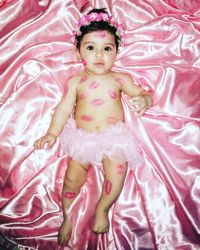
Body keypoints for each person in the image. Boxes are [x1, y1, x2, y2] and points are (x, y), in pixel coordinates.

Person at [34, 8, 152, 246]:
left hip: (114, 137)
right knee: (71, 179)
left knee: (117, 172)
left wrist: (144, 99)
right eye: (90, 47)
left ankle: (103, 208)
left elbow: (141, 92)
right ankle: (66, 216)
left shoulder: (120, 79)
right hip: (82, 137)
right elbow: (64, 109)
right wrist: (51, 133)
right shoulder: (76, 81)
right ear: (78, 52)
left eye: (107, 48)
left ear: (117, 51)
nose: (99, 54)